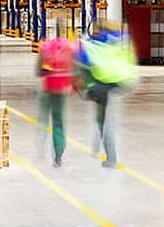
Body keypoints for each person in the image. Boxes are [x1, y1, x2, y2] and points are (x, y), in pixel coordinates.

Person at [77, 21, 139, 168]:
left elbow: (83, 63)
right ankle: (96, 145)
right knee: (103, 116)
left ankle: (110, 158)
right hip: (119, 82)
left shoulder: (93, 43)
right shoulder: (122, 41)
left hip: (101, 84)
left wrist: (84, 87)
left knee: (105, 122)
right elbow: (129, 60)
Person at [36, 27, 77, 167]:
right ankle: (58, 155)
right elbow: (75, 68)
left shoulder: (46, 47)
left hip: (49, 88)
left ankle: (40, 147)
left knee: (43, 119)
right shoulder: (70, 48)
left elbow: (39, 72)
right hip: (62, 90)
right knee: (58, 121)